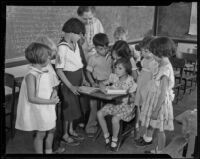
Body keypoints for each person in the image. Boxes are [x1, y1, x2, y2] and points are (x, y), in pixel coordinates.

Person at [15, 42, 60, 154]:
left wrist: (53, 91)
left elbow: (47, 88)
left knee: (50, 129)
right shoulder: (31, 75)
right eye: (48, 56)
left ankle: (49, 151)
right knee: (41, 134)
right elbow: (32, 98)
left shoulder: (43, 71)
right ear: (41, 58)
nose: (50, 58)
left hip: (46, 107)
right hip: (40, 109)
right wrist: (51, 101)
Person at [136, 37, 175, 154]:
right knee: (151, 123)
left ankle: (160, 151)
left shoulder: (165, 71)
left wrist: (156, 110)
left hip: (160, 104)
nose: (152, 55)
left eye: (154, 53)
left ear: (160, 53)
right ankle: (148, 139)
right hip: (154, 99)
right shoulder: (161, 64)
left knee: (161, 129)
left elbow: (163, 94)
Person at [55, 18, 88, 146]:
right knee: (67, 110)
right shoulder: (62, 48)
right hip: (69, 81)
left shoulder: (76, 44)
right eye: (79, 34)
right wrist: (70, 86)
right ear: (71, 32)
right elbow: (59, 70)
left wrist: (84, 78)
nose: (81, 37)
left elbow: (79, 64)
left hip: (78, 78)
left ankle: (71, 130)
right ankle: (64, 134)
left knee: (75, 108)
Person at [97, 58, 137, 151]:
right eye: (115, 68)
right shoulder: (114, 77)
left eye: (120, 68)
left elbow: (134, 98)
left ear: (126, 69)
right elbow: (101, 83)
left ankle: (114, 140)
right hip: (115, 104)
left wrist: (129, 98)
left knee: (115, 119)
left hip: (126, 106)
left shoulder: (130, 81)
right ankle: (106, 136)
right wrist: (103, 88)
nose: (116, 70)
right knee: (99, 113)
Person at [85, 33, 112, 136]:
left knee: (108, 105)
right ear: (95, 48)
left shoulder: (110, 56)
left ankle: (106, 125)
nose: (103, 51)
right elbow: (88, 72)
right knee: (94, 106)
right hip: (96, 83)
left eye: (105, 48)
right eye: (100, 49)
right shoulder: (93, 58)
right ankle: (90, 127)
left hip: (109, 83)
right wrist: (92, 82)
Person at [133, 36, 158, 140]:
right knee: (140, 106)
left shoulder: (155, 62)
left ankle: (147, 133)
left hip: (148, 88)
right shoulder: (144, 59)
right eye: (142, 50)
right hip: (141, 84)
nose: (143, 53)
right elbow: (142, 72)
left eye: (146, 51)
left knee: (146, 109)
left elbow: (154, 78)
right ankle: (140, 127)